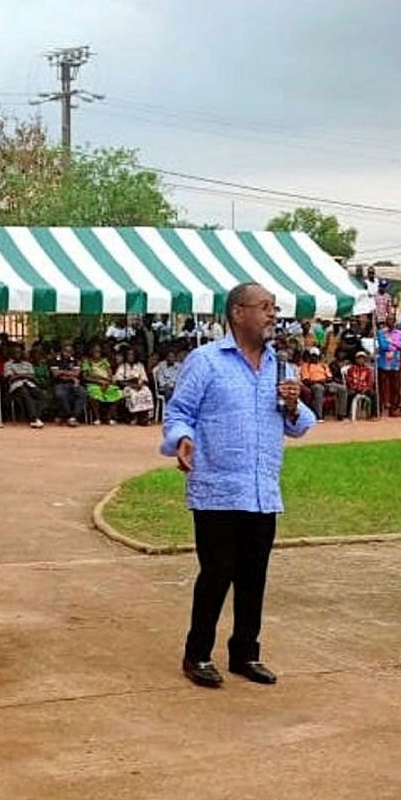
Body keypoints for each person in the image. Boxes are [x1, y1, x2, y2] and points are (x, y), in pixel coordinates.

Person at [162, 282, 316, 690]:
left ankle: (245, 652)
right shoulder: (206, 361)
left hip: (263, 490)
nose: (272, 315)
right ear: (237, 313)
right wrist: (182, 438)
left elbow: (301, 426)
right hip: (217, 488)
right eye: (264, 307)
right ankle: (197, 654)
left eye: (274, 307)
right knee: (216, 573)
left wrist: (293, 405)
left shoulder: (280, 367)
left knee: (254, 576)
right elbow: (179, 411)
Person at [4, 344, 46, 428]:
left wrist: (19, 375)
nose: (18, 354)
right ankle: (33, 419)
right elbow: (10, 378)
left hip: (30, 384)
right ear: (12, 354)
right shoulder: (8, 364)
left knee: (41, 394)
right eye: (16, 352)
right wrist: (25, 375)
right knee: (25, 392)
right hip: (16, 387)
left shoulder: (28, 364)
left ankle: (36, 417)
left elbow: (32, 376)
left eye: (19, 352)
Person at [298, 347, 346, 420]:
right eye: (312, 356)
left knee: (342, 388)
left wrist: (325, 381)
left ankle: (341, 414)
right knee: (318, 389)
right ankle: (319, 415)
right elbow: (306, 380)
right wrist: (319, 381)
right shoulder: (306, 366)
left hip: (326, 383)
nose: (314, 358)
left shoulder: (323, 365)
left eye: (316, 356)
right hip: (314, 384)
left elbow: (330, 377)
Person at [83, 343, 122, 425]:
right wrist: (99, 382)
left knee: (117, 393)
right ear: (91, 351)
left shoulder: (105, 361)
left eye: (98, 351)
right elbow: (85, 377)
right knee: (94, 393)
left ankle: (110, 417)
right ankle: (97, 418)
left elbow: (110, 374)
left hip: (106, 383)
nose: (97, 352)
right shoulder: (87, 362)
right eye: (95, 351)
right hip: (94, 383)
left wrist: (107, 382)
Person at [51, 342, 87, 426]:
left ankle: (73, 417)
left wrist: (62, 372)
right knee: (61, 394)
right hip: (59, 384)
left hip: (73, 384)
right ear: (61, 351)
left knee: (82, 393)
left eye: (69, 351)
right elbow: (55, 374)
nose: (67, 353)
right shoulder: (55, 360)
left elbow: (77, 373)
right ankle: (68, 416)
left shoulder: (74, 360)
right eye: (65, 351)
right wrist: (70, 375)